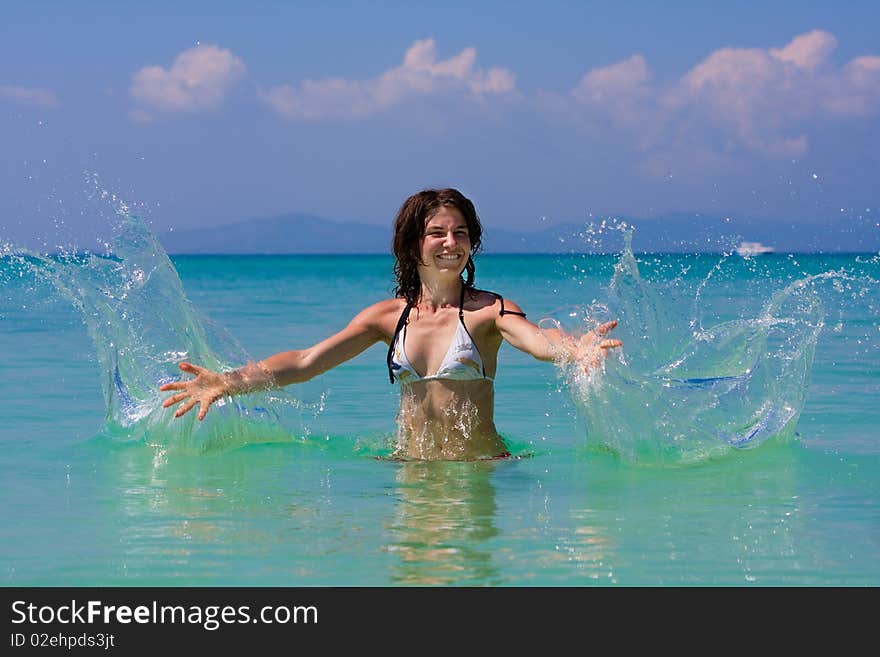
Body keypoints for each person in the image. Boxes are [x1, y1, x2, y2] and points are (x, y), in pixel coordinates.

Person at [160, 188, 622, 460]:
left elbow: (540, 341)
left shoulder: (489, 311)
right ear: (412, 244)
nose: (451, 242)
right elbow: (305, 361)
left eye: (461, 233)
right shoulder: (387, 317)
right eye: (437, 232)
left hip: (478, 469)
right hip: (407, 470)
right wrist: (227, 381)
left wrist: (576, 348)